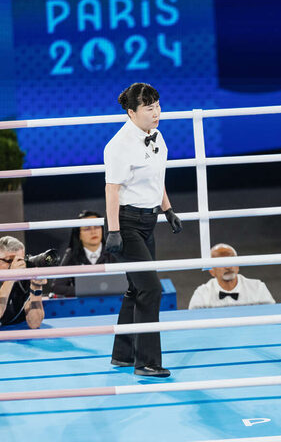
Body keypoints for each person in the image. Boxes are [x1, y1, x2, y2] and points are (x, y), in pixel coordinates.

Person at [104, 82, 183, 378]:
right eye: (149, 108)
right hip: (125, 223)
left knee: (136, 288)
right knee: (150, 288)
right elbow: (112, 189)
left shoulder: (157, 136)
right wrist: (114, 231)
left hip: (149, 220)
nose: (157, 113)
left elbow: (156, 176)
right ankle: (146, 361)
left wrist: (168, 209)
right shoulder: (118, 145)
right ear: (131, 112)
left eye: (158, 106)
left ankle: (122, 354)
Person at [50, 210, 115, 298]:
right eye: (87, 228)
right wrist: (85, 290)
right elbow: (57, 287)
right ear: (79, 234)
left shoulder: (113, 251)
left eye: (96, 227)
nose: (93, 232)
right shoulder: (72, 254)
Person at [188, 244, 274, 309]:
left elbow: (272, 318)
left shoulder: (258, 287)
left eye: (231, 260)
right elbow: (193, 326)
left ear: (238, 265)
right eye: (221, 263)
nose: (228, 267)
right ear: (212, 271)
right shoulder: (202, 294)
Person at [0, 236, 47, 329]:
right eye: (10, 260)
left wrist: (36, 287)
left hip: (17, 335)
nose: (16, 265)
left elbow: (35, 323)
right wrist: (10, 278)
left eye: (20, 260)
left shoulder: (25, 277)